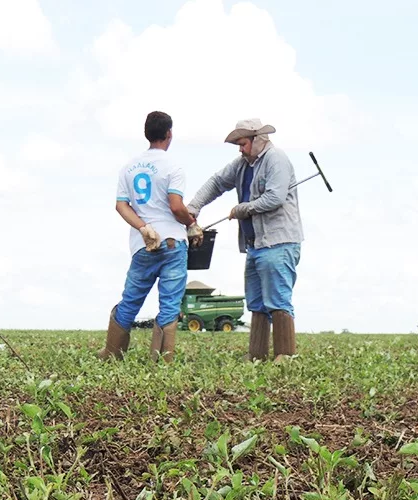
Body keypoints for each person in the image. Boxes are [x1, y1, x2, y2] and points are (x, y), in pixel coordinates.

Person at [187, 119, 303, 362]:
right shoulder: (243, 164)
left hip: (278, 242)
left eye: (242, 144)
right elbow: (217, 182)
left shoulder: (276, 159)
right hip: (255, 245)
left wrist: (242, 209)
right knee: (257, 302)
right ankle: (256, 356)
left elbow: (275, 198)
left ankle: (286, 356)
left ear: (257, 139)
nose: (240, 149)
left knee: (278, 299)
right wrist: (194, 207)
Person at [99, 111, 197, 363]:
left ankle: (112, 353)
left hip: (144, 244)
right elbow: (176, 206)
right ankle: (162, 360)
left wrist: (144, 228)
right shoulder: (173, 167)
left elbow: (121, 206)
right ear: (169, 134)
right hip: (173, 242)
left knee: (131, 299)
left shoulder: (128, 167)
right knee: (169, 303)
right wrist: (192, 223)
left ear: (146, 134)